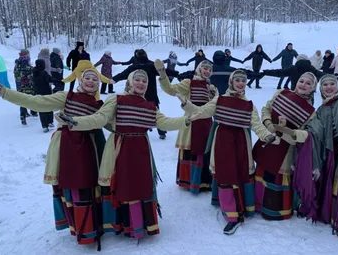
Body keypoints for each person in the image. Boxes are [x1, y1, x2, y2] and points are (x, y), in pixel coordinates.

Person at [0, 70, 107, 250]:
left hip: (92, 149)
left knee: (91, 187)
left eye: (95, 79)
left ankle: (95, 225)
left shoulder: (100, 105)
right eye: (87, 77)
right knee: (75, 186)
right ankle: (82, 229)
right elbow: (37, 102)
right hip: (68, 149)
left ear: (98, 84)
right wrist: (3, 91)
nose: (91, 81)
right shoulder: (67, 97)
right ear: (80, 80)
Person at [58, 69, 191, 240]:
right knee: (121, 183)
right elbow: (100, 118)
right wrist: (75, 121)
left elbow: (164, 122)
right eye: (137, 80)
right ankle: (121, 224)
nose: (141, 83)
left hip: (141, 149)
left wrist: (186, 119)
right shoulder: (116, 99)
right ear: (129, 82)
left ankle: (139, 225)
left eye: (144, 81)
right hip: (119, 148)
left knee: (140, 184)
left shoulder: (149, 106)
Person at [273, 74, 338, 241]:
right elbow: (313, 134)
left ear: (337, 85)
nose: (329, 87)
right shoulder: (320, 112)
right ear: (320, 89)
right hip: (337, 156)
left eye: (332, 84)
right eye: (325, 85)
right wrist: (292, 133)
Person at [176, 70, 277, 234]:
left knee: (241, 173)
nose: (240, 83)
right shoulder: (220, 100)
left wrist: (266, 135)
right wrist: (186, 104)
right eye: (237, 80)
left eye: (243, 81)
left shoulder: (249, 105)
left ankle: (243, 206)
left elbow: (256, 125)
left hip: (242, 142)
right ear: (231, 82)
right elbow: (202, 111)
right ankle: (232, 215)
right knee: (226, 174)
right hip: (223, 141)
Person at [252, 72, 316, 221]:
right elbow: (266, 108)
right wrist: (268, 124)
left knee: (277, 176)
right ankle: (258, 203)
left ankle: (274, 210)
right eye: (301, 81)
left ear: (313, 88)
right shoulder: (282, 93)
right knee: (263, 169)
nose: (303, 85)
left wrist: (287, 132)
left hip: (286, 149)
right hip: (268, 138)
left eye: (308, 83)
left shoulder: (311, 112)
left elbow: (305, 134)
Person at [155, 59, 217, 194]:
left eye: (209, 70)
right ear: (199, 69)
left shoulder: (211, 87)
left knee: (205, 150)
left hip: (207, 122)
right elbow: (170, 90)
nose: (207, 71)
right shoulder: (189, 83)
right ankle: (190, 181)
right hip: (191, 121)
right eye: (205, 68)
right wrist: (163, 74)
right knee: (192, 149)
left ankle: (204, 182)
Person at [112, 49, 179, 140]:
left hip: (137, 96)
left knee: (137, 113)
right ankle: (162, 131)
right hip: (151, 95)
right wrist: (177, 74)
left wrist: (113, 79)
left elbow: (122, 74)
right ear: (146, 55)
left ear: (136, 56)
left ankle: (138, 130)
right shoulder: (151, 66)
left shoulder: (133, 67)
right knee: (156, 114)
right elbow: (164, 71)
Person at [14, 49, 37, 123]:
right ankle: (33, 112)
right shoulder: (27, 63)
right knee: (31, 98)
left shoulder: (17, 64)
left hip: (20, 85)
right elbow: (32, 74)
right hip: (28, 85)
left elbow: (16, 75)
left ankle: (23, 114)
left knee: (22, 100)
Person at [32, 59, 54, 132]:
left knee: (41, 108)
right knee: (49, 106)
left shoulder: (34, 72)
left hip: (37, 92)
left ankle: (44, 126)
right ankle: (50, 121)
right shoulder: (43, 73)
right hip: (46, 92)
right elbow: (50, 79)